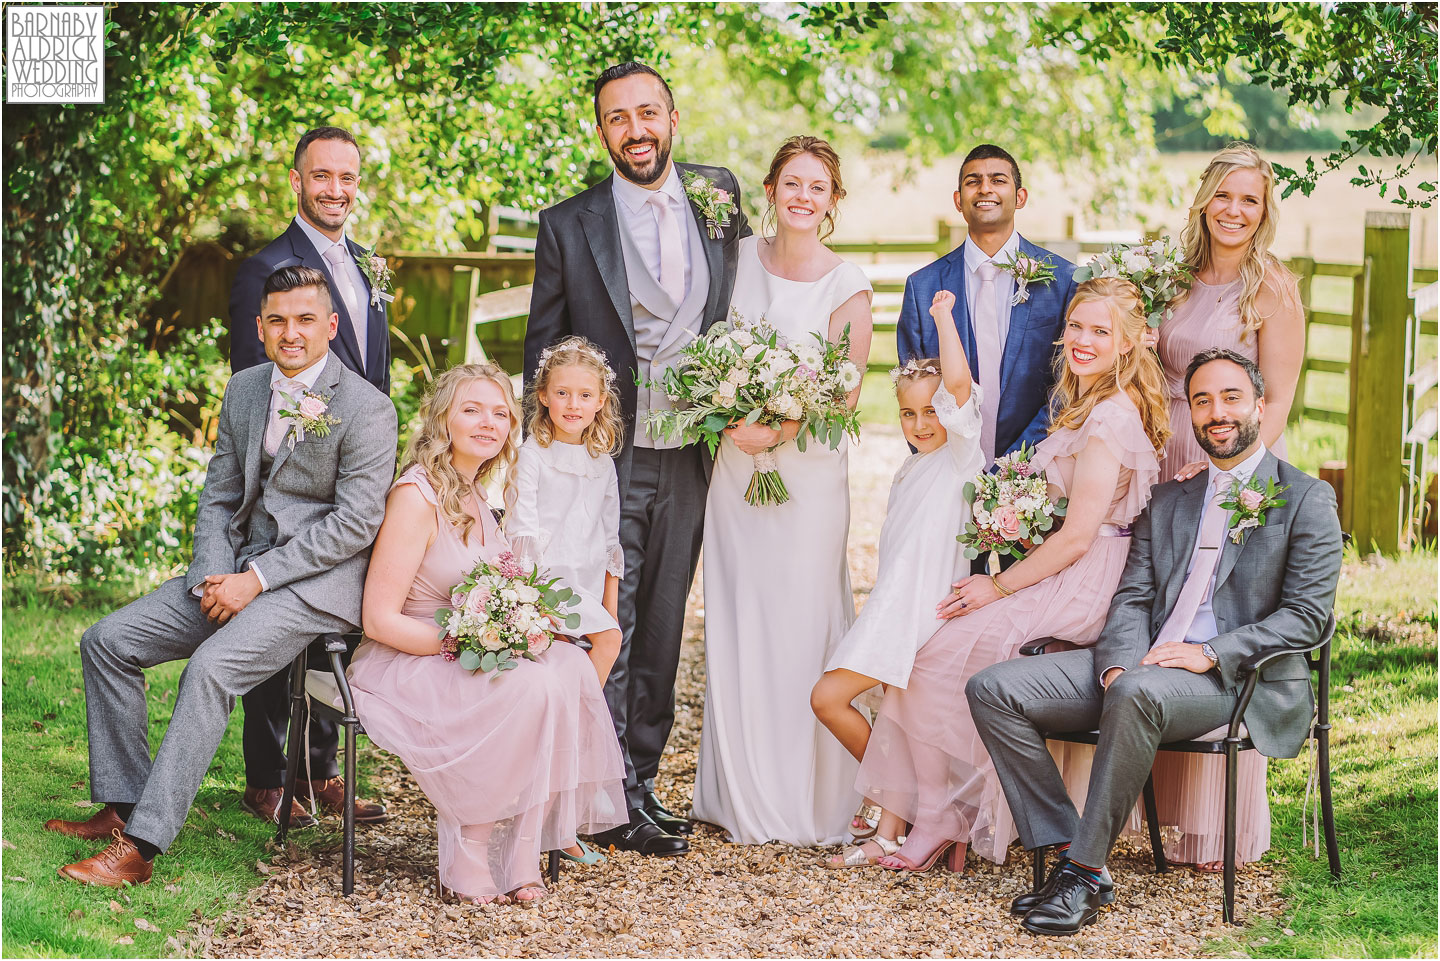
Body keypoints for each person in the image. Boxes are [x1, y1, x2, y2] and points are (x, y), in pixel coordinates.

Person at [968, 348, 1342, 935]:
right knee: (993, 689)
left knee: (1139, 693)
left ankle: (1085, 869)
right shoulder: (1170, 498)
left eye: (1230, 397)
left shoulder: (1305, 497)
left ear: (1261, 406)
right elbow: (1134, 596)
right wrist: (1117, 664)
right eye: (1202, 401)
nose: (1216, 412)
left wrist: (1211, 652)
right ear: (1191, 413)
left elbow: (1307, 617)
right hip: (1141, 669)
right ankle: (1073, 849)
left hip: (1230, 679)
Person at [46, 267, 396, 886]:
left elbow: (354, 526)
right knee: (107, 642)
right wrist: (213, 574)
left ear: (332, 326)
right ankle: (125, 803)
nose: (292, 333)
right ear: (260, 327)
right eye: (278, 320)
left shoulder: (368, 408)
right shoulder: (245, 388)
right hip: (232, 571)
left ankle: (142, 848)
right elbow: (220, 491)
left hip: (315, 586)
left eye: (306, 319)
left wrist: (256, 579)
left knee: (209, 671)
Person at [855, 276, 1170, 873]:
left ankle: (943, 816)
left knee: (925, 660)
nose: (1082, 339)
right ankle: (937, 815)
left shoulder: (1109, 418)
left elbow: (1079, 536)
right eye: (1077, 326)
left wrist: (994, 586)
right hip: (1065, 565)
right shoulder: (1087, 403)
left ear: (1128, 343)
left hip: (1086, 580)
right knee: (921, 658)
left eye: (1101, 331)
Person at [525, 60, 751, 856]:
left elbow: (744, 308)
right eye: (618, 118)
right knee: (604, 617)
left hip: (691, 450)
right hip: (603, 460)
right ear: (602, 132)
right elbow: (543, 352)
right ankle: (607, 790)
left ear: (673, 117)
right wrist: (543, 463)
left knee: (660, 619)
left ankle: (643, 777)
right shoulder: (568, 223)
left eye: (647, 112)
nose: (636, 130)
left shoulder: (720, 197)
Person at [347, 363, 626, 904]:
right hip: (411, 657)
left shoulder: (479, 497)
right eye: (471, 409)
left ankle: (523, 846)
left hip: (471, 648)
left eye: (500, 413)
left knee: (567, 669)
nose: (487, 423)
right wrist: (470, 642)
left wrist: (525, 625)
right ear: (442, 417)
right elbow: (379, 619)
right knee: (530, 686)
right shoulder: (417, 495)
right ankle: (472, 848)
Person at [691, 135, 873, 846]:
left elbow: (847, 392)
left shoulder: (846, 281)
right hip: (736, 467)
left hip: (807, 476)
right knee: (739, 615)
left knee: (800, 619)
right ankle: (737, 791)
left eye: (817, 186)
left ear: (832, 201)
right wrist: (731, 412)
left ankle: (812, 797)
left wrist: (782, 424)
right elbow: (705, 349)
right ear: (769, 190)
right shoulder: (733, 262)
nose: (802, 196)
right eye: (791, 183)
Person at [227, 125, 394, 829]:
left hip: (355, 477)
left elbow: (372, 377)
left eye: (347, 178)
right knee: (271, 620)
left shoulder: (368, 264)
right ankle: (267, 775)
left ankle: (321, 767)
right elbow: (258, 385)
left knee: (341, 619)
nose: (335, 190)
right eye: (321, 176)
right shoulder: (262, 268)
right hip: (289, 479)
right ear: (296, 181)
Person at [1149, 143, 1306, 870]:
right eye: (1225, 196)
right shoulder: (1172, 279)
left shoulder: (1270, 286)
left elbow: (1275, 400)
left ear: (1263, 210)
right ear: (1205, 199)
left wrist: (1230, 473)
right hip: (1162, 460)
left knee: (1211, 612)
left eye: (1250, 200)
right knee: (1160, 606)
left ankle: (1216, 826)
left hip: (1226, 464)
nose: (1235, 211)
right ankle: (1150, 807)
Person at [812, 288, 983, 867]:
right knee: (877, 714)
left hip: (923, 617)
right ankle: (898, 819)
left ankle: (900, 815)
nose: (920, 423)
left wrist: (942, 317)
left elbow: (959, 384)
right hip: (894, 611)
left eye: (930, 411)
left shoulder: (962, 456)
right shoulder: (911, 470)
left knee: (829, 697)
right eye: (908, 413)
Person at [895, 144, 1078, 466]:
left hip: (1038, 463)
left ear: (1020, 197)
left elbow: (1068, 383)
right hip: (948, 462)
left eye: (998, 180)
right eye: (973, 181)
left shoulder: (1063, 281)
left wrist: (1019, 462)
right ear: (958, 200)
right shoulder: (922, 287)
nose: (985, 189)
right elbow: (913, 389)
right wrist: (943, 460)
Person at [506, 335, 626, 689]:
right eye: (562, 393)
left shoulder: (602, 463)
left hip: (586, 590)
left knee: (609, 640)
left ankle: (575, 720)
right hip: (543, 586)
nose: (573, 405)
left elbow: (609, 544)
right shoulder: (533, 455)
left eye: (585, 395)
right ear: (543, 395)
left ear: (600, 402)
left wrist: (611, 613)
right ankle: (570, 722)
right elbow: (521, 533)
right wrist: (529, 603)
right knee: (553, 669)